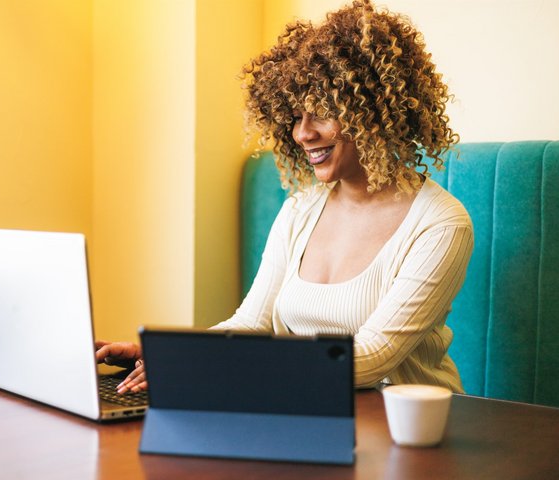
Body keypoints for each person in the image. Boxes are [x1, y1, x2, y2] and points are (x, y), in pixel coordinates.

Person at [95, 0, 473, 395]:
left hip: (407, 434)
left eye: (322, 112)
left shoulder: (440, 223)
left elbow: (372, 357)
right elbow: (251, 324)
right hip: (303, 408)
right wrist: (167, 356)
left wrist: (209, 363)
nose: (302, 134)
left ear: (375, 113)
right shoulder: (300, 209)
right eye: (295, 116)